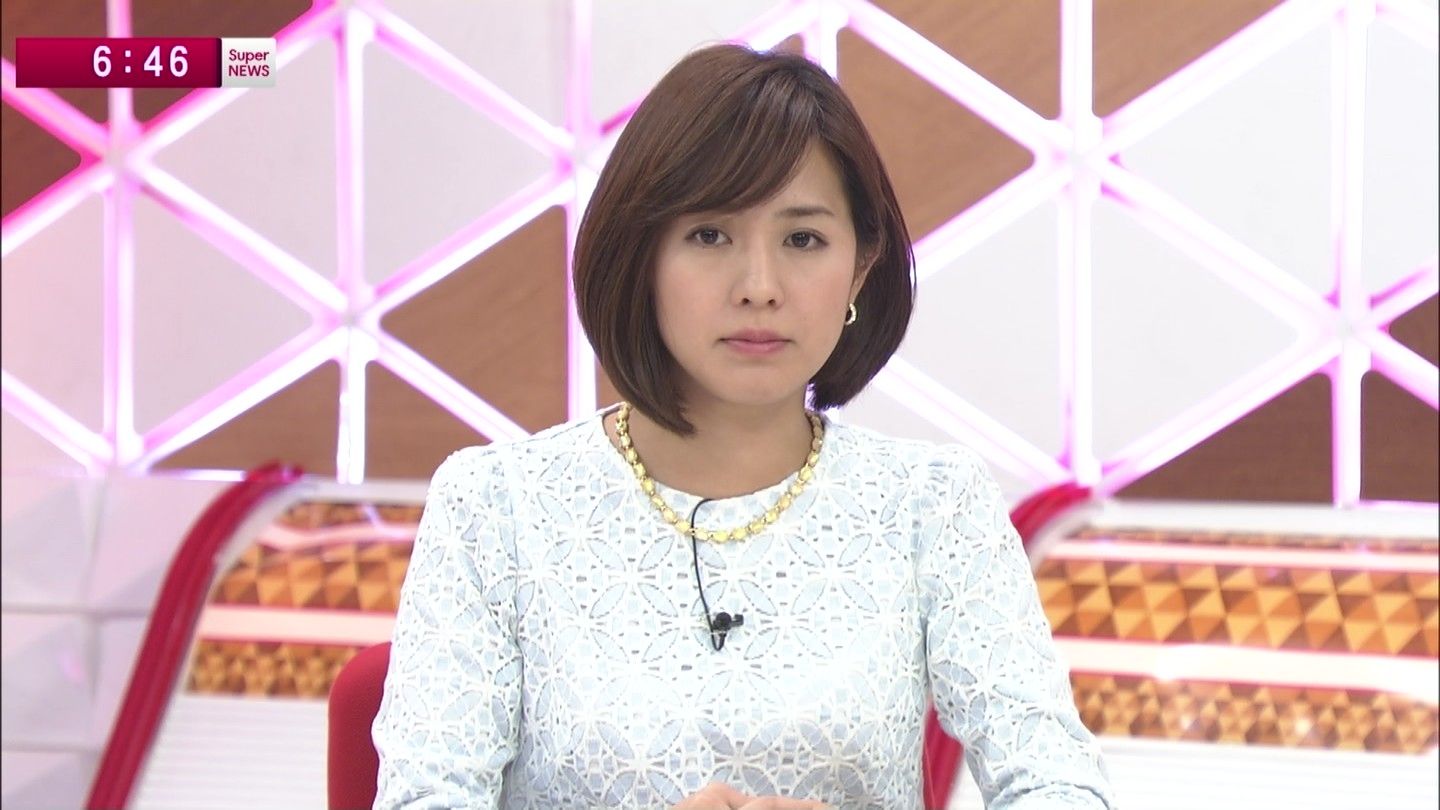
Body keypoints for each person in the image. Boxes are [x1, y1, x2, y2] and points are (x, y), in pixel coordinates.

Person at [372, 43, 1115, 810]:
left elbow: (1060, 786)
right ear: (641, 257)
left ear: (860, 268)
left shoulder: (933, 504)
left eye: (802, 240)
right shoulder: (494, 505)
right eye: (709, 235)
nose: (760, 287)